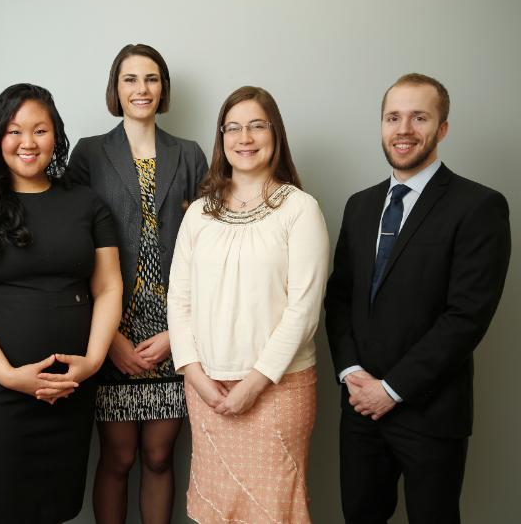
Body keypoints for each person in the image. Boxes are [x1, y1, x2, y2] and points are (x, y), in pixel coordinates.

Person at [325, 73, 511, 524]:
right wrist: (352, 375)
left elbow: (466, 317)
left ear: (442, 127)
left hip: (431, 411)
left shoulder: (479, 206)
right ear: (382, 126)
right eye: (393, 117)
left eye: (418, 117)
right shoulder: (360, 205)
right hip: (360, 410)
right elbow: (340, 299)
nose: (403, 129)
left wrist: (392, 390)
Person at [0, 83, 123, 523]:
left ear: (56, 135)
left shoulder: (85, 203)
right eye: (15, 131)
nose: (28, 142)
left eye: (40, 130)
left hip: (69, 391)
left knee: (54, 509)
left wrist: (93, 361)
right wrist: (7, 374)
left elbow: (109, 288)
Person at [168, 86, 329, 523]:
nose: (246, 137)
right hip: (206, 389)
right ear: (221, 139)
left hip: (277, 390)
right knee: (216, 509)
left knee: (273, 512)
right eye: (233, 128)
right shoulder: (199, 213)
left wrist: (254, 384)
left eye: (258, 125)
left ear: (275, 134)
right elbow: (178, 298)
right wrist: (195, 374)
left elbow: (304, 311)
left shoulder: (300, 210)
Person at [68, 43, 208, 524]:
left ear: (163, 88)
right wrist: (109, 340)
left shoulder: (189, 155)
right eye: (130, 79)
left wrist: (179, 335)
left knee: (159, 457)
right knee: (119, 457)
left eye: (150, 78)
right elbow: (74, 247)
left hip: (174, 329)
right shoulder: (88, 153)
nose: (141, 89)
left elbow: (207, 248)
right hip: (111, 326)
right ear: (116, 88)